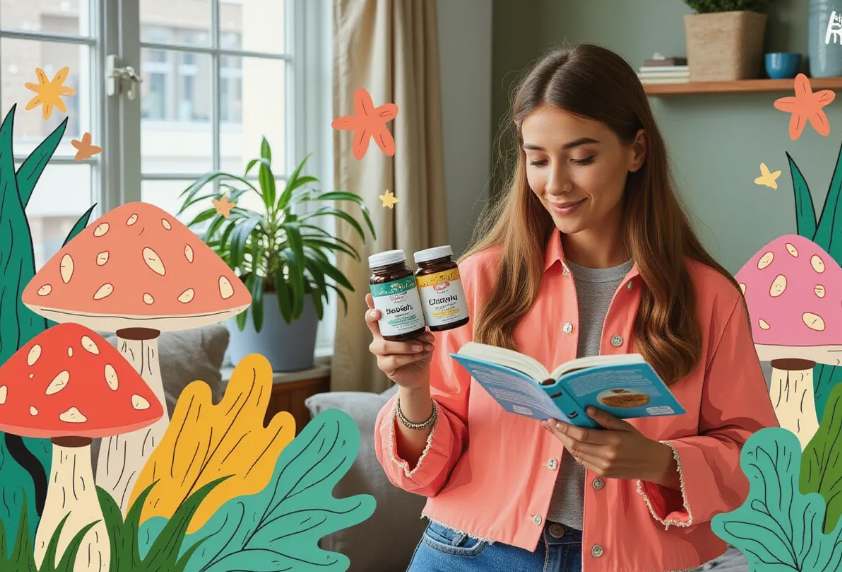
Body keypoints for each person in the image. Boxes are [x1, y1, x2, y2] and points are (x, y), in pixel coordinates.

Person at [364, 44, 779, 572]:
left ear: (637, 151)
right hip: (470, 552)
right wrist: (412, 387)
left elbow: (757, 459)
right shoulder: (479, 278)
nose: (555, 184)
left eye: (581, 158)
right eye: (537, 159)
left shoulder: (711, 297)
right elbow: (422, 474)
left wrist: (657, 462)